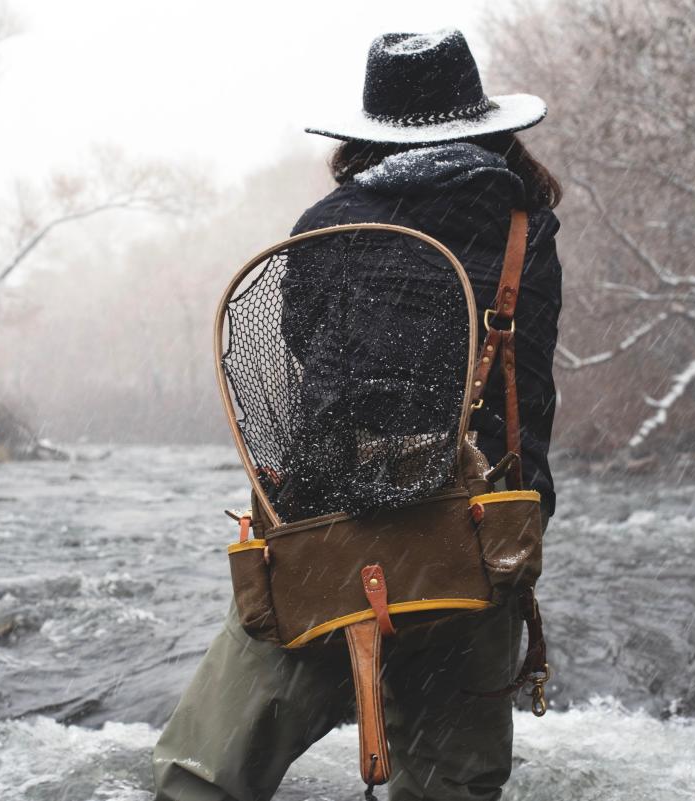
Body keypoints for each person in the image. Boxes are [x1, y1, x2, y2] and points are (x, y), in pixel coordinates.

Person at [153, 29, 562, 801]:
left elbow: (311, 366)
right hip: (475, 542)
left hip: (327, 541)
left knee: (200, 778)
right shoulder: (525, 230)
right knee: (452, 787)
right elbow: (527, 396)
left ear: (369, 134)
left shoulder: (322, 227)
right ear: (483, 121)